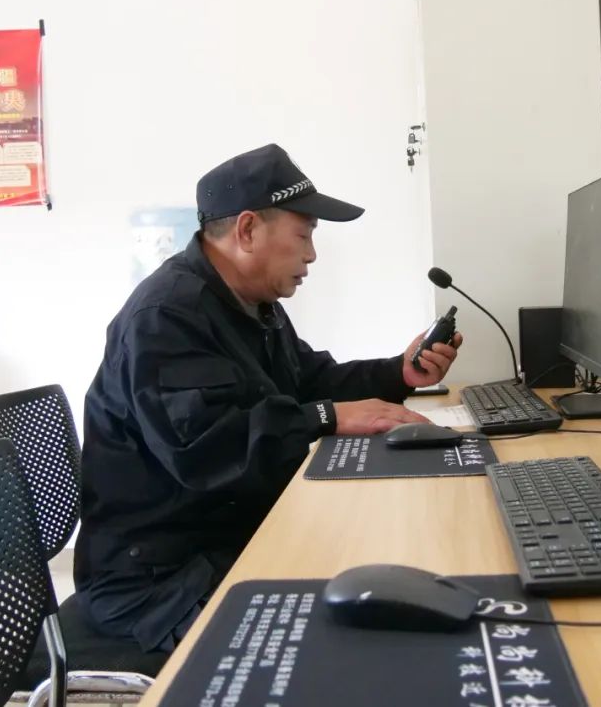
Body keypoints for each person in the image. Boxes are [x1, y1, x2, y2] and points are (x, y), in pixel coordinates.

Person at [74, 143, 463, 652]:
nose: (312, 255)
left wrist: (398, 372)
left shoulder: (250, 302)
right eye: (304, 234)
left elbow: (309, 381)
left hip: (229, 535)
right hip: (162, 579)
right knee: (341, 645)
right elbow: (206, 452)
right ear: (248, 229)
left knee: (387, 560)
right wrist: (326, 417)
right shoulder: (166, 316)